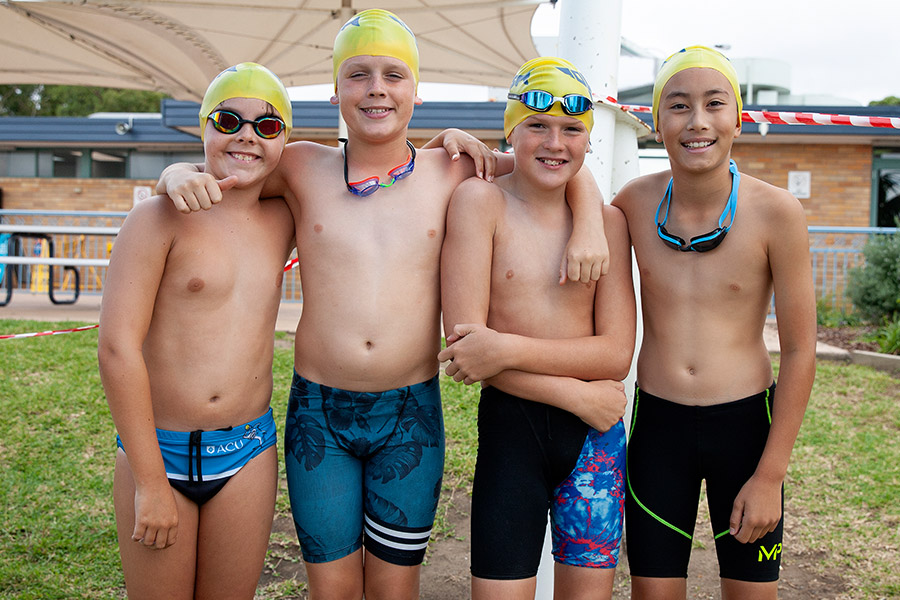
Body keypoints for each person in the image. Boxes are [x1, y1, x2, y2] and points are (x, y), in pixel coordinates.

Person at [155, 10, 610, 600]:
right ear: (334, 92)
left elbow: (549, 162)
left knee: (396, 589)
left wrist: (590, 224)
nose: (376, 88)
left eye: (394, 75)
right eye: (358, 74)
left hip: (409, 415)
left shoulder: (451, 169)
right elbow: (225, 168)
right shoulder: (299, 165)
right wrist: (172, 171)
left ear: (416, 93)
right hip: (320, 413)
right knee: (333, 588)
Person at [610, 46, 817, 600]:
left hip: (747, 429)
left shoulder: (776, 213)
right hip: (659, 429)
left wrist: (771, 473)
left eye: (714, 104)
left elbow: (800, 350)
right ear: (656, 123)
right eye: (678, 106)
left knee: (750, 593)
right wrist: (467, 149)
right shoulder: (631, 203)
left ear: (738, 119)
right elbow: (554, 188)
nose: (697, 120)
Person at [438, 56, 636, 600]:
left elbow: (616, 354)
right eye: (537, 126)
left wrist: (502, 347)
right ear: (510, 132)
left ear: (588, 141)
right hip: (515, 432)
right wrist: (577, 396)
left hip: (595, 448)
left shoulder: (609, 224)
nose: (555, 142)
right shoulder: (481, 202)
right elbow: (468, 353)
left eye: (573, 129)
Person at [97, 63, 296, 599]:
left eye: (268, 126)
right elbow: (117, 348)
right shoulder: (157, 219)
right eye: (228, 119)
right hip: (158, 451)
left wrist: (451, 140)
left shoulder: (285, 219)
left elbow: (373, 171)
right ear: (203, 126)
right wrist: (149, 481)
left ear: (284, 141)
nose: (247, 135)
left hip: (248, 450)